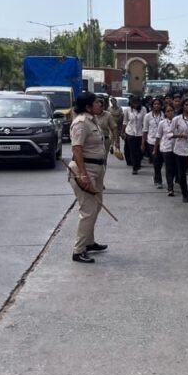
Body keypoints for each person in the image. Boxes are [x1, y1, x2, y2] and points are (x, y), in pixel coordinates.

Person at [68, 92, 109, 264]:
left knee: (96, 206)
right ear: (87, 107)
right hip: (85, 170)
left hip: (97, 169)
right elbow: (77, 149)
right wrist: (83, 174)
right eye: (96, 103)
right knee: (88, 210)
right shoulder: (81, 123)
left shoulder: (93, 120)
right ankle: (78, 250)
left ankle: (89, 242)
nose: (100, 105)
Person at [170, 101, 188, 203]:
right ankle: (185, 194)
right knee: (181, 174)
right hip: (180, 149)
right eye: (186, 105)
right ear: (183, 106)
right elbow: (169, 134)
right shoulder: (177, 119)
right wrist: (180, 135)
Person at [156, 104, 178, 196]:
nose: (170, 113)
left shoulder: (178, 121)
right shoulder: (162, 123)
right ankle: (170, 187)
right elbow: (158, 136)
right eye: (168, 111)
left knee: (175, 169)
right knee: (169, 168)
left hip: (177, 148)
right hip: (166, 148)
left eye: (171, 110)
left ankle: (174, 181)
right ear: (165, 113)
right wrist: (155, 148)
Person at [122, 96, 147, 175]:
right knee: (132, 151)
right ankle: (134, 167)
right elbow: (125, 121)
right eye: (134, 102)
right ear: (131, 103)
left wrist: (146, 132)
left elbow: (145, 121)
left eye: (137, 102)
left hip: (140, 133)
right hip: (130, 132)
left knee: (140, 151)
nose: (135, 104)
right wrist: (123, 132)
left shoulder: (143, 109)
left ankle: (138, 163)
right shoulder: (127, 110)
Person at [145, 99, 166, 188]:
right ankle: (158, 180)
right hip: (151, 141)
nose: (156, 106)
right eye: (155, 104)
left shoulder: (164, 115)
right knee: (156, 162)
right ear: (152, 105)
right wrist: (143, 143)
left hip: (163, 142)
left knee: (161, 162)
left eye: (158, 104)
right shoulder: (148, 116)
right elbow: (145, 130)